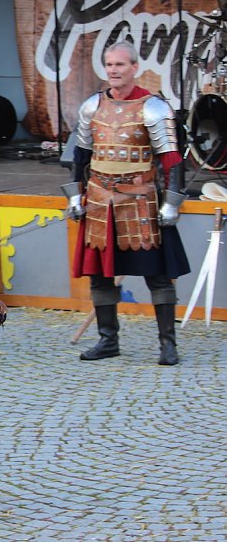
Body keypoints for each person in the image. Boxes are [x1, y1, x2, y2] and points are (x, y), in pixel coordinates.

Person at [65, 40, 190, 366]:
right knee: (99, 277)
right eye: (109, 65)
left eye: (120, 65)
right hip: (99, 203)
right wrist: (75, 196)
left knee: (158, 277)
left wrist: (172, 204)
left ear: (134, 67)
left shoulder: (154, 107)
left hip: (140, 203)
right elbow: (79, 158)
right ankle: (108, 341)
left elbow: (172, 161)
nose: (113, 71)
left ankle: (167, 345)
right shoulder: (92, 106)